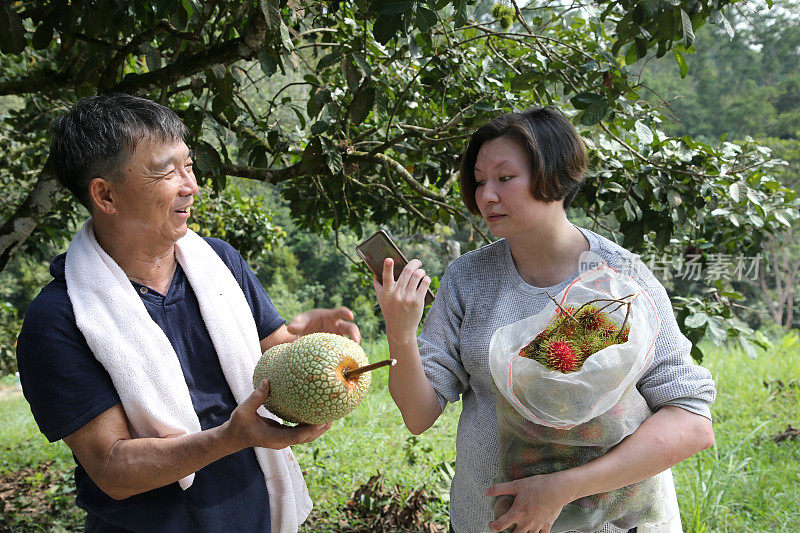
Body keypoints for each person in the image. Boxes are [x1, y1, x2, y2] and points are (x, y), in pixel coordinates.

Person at [16, 93, 360, 532]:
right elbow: (112, 467)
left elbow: (277, 363)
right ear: (104, 194)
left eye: (189, 165)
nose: (191, 186)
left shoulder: (219, 262)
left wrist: (311, 347)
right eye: (166, 171)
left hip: (255, 513)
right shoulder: (60, 318)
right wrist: (229, 438)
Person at [373, 107, 717, 533]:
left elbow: (692, 420)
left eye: (504, 177)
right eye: (479, 181)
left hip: (610, 523)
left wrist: (562, 489)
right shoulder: (468, 278)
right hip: (488, 521)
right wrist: (401, 333)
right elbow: (418, 415)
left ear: (553, 174)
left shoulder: (618, 279)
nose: (487, 196)